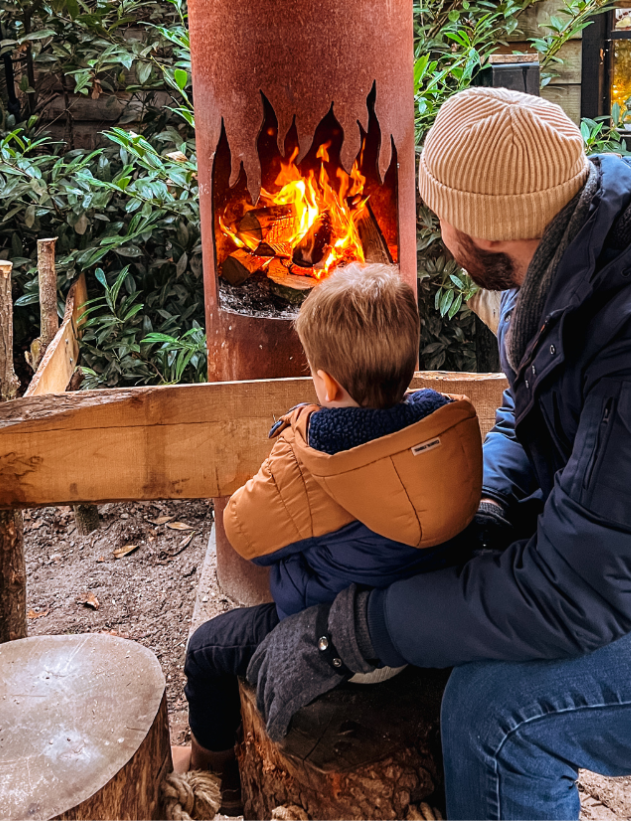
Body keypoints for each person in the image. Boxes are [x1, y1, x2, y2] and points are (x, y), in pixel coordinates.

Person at [246, 87, 631, 821]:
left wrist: (353, 629)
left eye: (440, 215)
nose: (436, 231)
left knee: (499, 714)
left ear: (480, 232)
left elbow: (569, 597)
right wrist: (482, 502)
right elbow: (525, 409)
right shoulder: (569, 254)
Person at [180, 262, 483, 811]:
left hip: (333, 633)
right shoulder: (444, 428)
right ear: (412, 362)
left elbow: (244, 533)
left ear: (324, 381)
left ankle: (211, 771)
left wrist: (292, 439)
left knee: (206, 649)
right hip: (420, 625)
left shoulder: (315, 459)